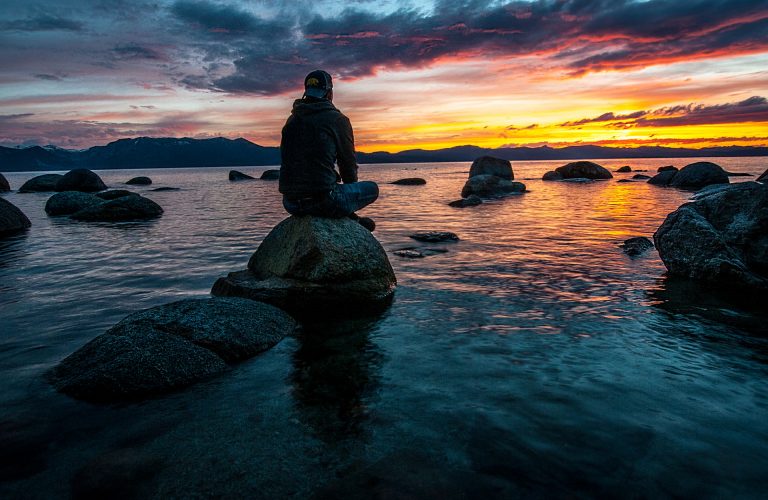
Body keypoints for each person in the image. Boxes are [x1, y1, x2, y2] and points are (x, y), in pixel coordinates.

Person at [279, 69, 378, 231]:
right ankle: (350, 218)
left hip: (290, 203)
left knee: (329, 184)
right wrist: (349, 194)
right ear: (329, 93)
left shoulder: (291, 121)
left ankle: (350, 217)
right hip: (325, 200)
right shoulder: (337, 120)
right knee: (372, 188)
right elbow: (347, 165)